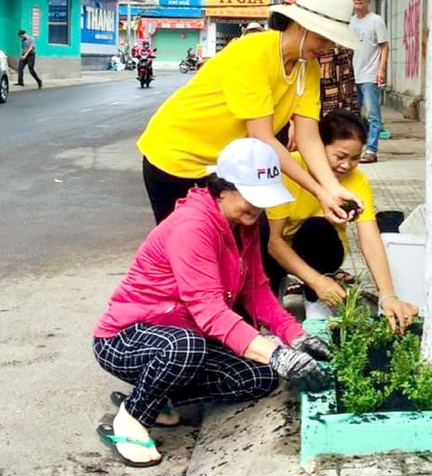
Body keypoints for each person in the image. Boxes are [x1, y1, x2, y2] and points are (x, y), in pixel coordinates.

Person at [93, 138, 331, 468]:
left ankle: (156, 398)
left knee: (258, 379)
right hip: (126, 337)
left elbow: (258, 291)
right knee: (186, 347)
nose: (257, 208)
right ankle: (131, 418)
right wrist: (277, 353)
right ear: (222, 188)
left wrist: (296, 337)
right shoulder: (193, 227)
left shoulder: (242, 224)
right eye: (250, 197)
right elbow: (210, 312)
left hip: (182, 336)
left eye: (262, 199)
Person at [136, 0, 362, 226]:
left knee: (240, 241)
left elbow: (308, 136)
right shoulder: (252, 54)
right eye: (323, 38)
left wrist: (331, 187)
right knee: (187, 245)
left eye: (332, 41)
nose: (327, 47)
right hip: (175, 156)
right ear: (301, 25)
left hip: (222, 165)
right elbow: (262, 138)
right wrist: (320, 192)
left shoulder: (308, 68)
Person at [264, 109, 419, 329]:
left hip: (321, 247)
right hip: (279, 251)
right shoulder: (290, 169)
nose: (346, 165)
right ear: (318, 147)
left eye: (355, 158)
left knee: (317, 229)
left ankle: (315, 302)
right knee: (256, 230)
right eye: (340, 156)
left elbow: (370, 237)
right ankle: (275, 285)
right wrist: (316, 281)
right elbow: (273, 241)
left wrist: (387, 295)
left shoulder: (357, 180)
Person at [286, 0, 359, 115]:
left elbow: (346, 81)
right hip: (294, 119)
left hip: (336, 117)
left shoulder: (341, 13)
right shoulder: (288, 15)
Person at [349, 0, 389, 164]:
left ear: (368, 0)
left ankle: (371, 150)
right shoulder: (350, 22)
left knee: (373, 114)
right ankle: (356, 149)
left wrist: (381, 70)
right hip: (353, 74)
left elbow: (384, 46)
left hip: (369, 75)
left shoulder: (376, 21)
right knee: (354, 115)